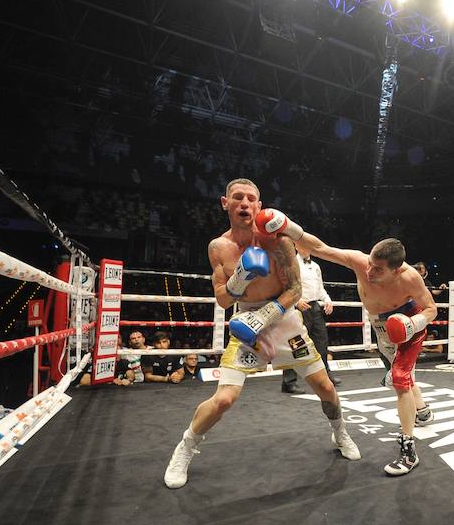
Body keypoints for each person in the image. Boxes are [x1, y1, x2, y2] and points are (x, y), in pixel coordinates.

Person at [163, 179, 360, 489]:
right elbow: (223, 299)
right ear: (224, 203)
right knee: (225, 399)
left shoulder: (278, 241)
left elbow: (295, 289)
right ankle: (185, 448)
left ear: (259, 205)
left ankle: (340, 431)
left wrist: (266, 314)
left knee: (324, 386)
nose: (245, 203)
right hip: (245, 322)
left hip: (284, 320)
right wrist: (239, 279)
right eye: (237, 197)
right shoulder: (218, 247)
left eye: (251, 199)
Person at [257, 208, 435, 477]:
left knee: (399, 378)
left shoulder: (410, 278)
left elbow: (431, 309)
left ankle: (408, 450)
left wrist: (412, 324)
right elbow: (318, 247)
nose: (370, 271)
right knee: (403, 377)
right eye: (370, 264)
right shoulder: (360, 262)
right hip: (380, 326)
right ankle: (422, 412)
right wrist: (288, 227)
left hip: (408, 323)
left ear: (397, 270)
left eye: (378, 269)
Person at [282, 244, 340, 393]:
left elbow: (320, 288)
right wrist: (296, 301)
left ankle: (326, 376)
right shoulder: (291, 264)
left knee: (322, 342)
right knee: (296, 343)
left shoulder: (315, 266)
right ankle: (288, 382)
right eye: (303, 244)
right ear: (296, 246)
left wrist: (327, 300)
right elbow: (286, 286)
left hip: (315, 307)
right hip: (298, 307)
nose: (307, 248)